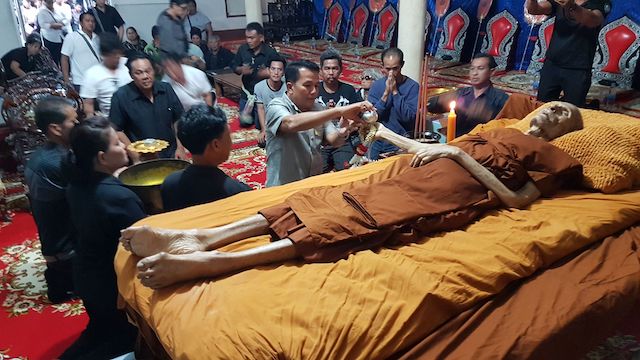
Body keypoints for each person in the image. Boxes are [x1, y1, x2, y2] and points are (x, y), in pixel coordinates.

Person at [121, 102, 585, 289]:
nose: (554, 110)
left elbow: (519, 200)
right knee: (319, 200)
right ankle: (206, 237)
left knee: (348, 223)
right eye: (553, 105)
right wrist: (402, 141)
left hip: (454, 192)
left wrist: (458, 158)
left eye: (564, 113)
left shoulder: (550, 156)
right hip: (414, 174)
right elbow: (434, 149)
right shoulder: (499, 130)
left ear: (565, 131)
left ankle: (213, 262)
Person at [61, 116, 145, 359]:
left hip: (86, 276)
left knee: (100, 330)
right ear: (101, 158)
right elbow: (141, 241)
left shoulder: (75, 184)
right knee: (124, 340)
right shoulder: (118, 197)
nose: (124, 147)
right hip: (112, 285)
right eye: (117, 144)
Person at [264, 60, 372, 187]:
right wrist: (338, 111)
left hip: (312, 185)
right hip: (284, 187)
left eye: (316, 86)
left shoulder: (318, 108)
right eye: (308, 86)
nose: (314, 91)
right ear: (290, 87)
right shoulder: (276, 106)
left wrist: (343, 131)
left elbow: (334, 141)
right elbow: (290, 123)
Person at [25, 96, 78, 303]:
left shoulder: (44, 155)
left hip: (55, 242)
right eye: (73, 122)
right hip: (65, 251)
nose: (78, 125)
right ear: (56, 129)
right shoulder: (57, 162)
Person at [161, 105, 251, 212]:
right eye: (229, 136)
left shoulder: (169, 183)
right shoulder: (236, 191)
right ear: (216, 145)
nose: (231, 143)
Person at [526, 0, 609, 107]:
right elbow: (534, 10)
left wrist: (570, 5)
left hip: (578, 68)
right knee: (542, 107)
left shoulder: (599, 3)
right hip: (552, 65)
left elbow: (592, 20)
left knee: (573, 112)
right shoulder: (560, 3)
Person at [109, 53, 185, 161]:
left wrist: (180, 148)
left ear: (154, 71)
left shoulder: (165, 88)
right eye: (139, 73)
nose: (145, 76)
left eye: (148, 71)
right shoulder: (121, 96)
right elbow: (117, 130)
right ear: (131, 75)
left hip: (171, 153)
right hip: (143, 157)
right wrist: (136, 157)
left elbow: (178, 119)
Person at [428, 53, 509, 138]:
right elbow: (430, 107)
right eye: (472, 69)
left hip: (482, 144)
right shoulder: (461, 93)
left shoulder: (501, 98)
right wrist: (439, 101)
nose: (474, 73)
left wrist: (486, 114)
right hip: (456, 142)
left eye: (480, 68)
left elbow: (509, 125)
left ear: (492, 72)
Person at [367, 47, 419, 160]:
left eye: (395, 69)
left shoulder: (412, 87)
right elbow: (371, 117)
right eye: (388, 69)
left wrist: (395, 92)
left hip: (399, 143)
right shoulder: (377, 86)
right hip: (378, 141)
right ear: (382, 67)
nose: (391, 73)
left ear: (402, 65)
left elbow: (408, 118)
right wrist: (385, 94)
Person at [316, 50, 363, 172]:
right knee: (315, 174)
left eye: (334, 68)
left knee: (347, 171)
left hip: (343, 141)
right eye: (327, 68)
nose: (331, 73)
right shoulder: (314, 90)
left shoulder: (348, 90)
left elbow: (358, 116)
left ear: (341, 70)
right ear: (321, 70)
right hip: (320, 141)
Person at [231, 22, 278, 129]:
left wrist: (269, 73)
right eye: (247, 38)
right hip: (247, 92)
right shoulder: (243, 49)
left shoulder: (270, 53)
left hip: (262, 94)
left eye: (252, 38)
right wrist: (240, 69)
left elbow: (281, 69)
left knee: (259, 125)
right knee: (244, 122)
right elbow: (234, 65)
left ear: (261, 38)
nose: (249, 41)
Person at [81, 33, 131, 117]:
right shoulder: (92, 74)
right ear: (103, 55)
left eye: (119, 53)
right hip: (110, 118)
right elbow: (88, 105)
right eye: (114, 54)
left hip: (134, 113)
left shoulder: (128, 64)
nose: (118, 57)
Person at [61, 11, 100, 92]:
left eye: (93, 21)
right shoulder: (71, 37)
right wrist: (66, 80)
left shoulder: (97, 38)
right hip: (81, 81)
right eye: (87, 21)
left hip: (98, 81)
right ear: (81, 23)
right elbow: (64, 58)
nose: (91, 23)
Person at [253, 54, 286, 147]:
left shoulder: (288, 86)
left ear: (283, 72)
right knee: (263, 142)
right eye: (273, 69)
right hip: (267, 119)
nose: (276, 72)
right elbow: (261, 109)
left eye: (279, 69)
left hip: (282, 119)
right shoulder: (259, 87)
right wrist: (264, 130)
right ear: (268, 70)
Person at [37, 0, 67, 65]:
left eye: (51, 2)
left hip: (60, 36)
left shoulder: (57, 9)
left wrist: (62, 24)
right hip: (49, 38)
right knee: (53, 58)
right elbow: (42, 25)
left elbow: (65, 19)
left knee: (63, 56)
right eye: (49, 2)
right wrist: (52, 25)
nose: (51, 3)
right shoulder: (42, 12)